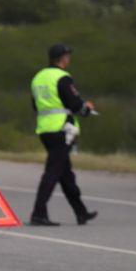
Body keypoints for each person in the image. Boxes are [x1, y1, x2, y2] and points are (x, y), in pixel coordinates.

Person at [29, 43, 99, 227]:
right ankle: (38, 213)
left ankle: (80, 212)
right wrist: (87, 109)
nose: (69, 59)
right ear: (62, 59)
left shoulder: (38, 78)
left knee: (65, 174)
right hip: (61, 130)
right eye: (67, 56)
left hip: (45, 130)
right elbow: (75, 103)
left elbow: (35, 105)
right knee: (52, 173)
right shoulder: (62, 77)